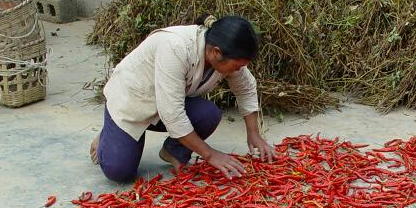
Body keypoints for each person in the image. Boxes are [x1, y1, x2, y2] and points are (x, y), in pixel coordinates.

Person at [91, 15, 277, 182]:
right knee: (119, 172)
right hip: (131, 102)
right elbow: (173, 116)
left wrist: (254, 133)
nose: (238, 70)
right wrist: (210, 155)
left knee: (208, 114)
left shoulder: (224, 53)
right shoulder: (175, 48)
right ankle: (109, 131)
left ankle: (173, 151)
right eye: (237, 66)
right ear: (216, 53)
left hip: (165, 103)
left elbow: (246, 88)